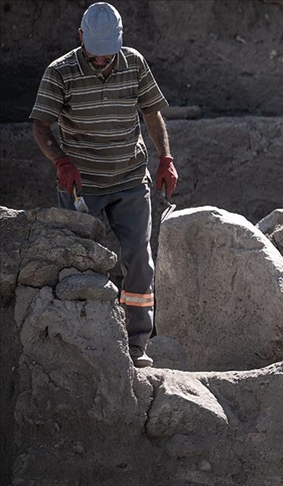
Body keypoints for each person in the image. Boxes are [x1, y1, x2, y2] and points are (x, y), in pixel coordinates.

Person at [30, 2, 178, 368]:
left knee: (139, 259)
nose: (101, 61)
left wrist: (165, 158)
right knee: (76, 263)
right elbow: (40, 126)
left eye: (107, 54)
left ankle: (136, 345)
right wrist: (60, 161)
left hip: (129, 178)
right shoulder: (60, 73)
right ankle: (80, 343)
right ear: (81, 38)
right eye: (94, 54)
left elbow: (151, 113)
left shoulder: (134, 63)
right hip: (82, 184)